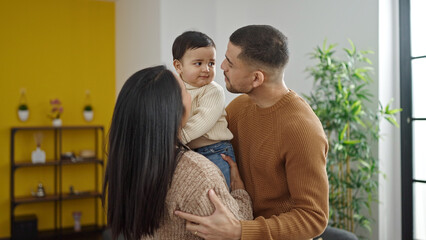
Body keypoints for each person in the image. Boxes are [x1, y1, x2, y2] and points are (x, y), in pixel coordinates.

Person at [175, 25, 329, 239]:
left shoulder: (303, 130)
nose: (220, 66)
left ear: (256, 78)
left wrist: (241, 230)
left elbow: (313, 218)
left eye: (230, 63)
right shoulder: (238, 108)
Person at [102, 65, 253, 240]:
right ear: (175, 111)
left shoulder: (126, 162)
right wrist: (240, 194)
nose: (191, 95)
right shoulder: (199, 174)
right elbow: (236, 229)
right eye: (186, 90)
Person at [172, 31, 236, 189]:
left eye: (211, 63)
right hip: (188, 150)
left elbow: (204, 119)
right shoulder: (175, 89)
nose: (206, 69)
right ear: (178, 66)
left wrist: (180, 137)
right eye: (198, 63)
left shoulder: (213, 91)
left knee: (220, 190)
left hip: (215, 150)